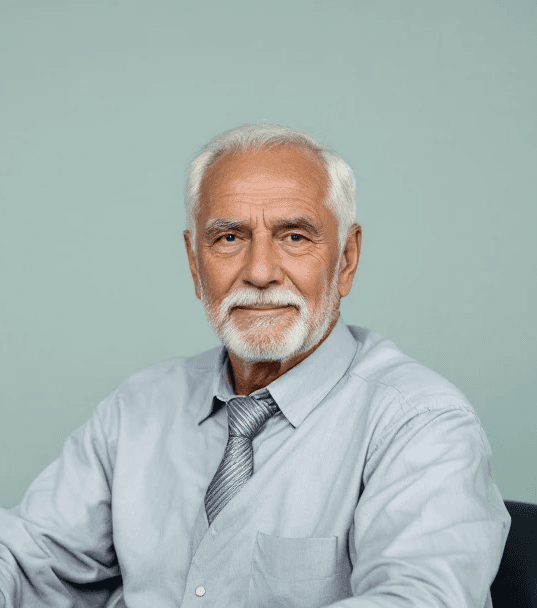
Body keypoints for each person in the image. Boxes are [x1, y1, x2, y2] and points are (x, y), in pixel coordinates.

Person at [0, 123, 510, 608]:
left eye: (294, 237)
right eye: (228, 238)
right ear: (194, 264)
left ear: (347, 258)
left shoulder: (420, 424)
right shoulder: (136, 410)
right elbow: (25, 563)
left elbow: (419, 600)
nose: (260, 272)